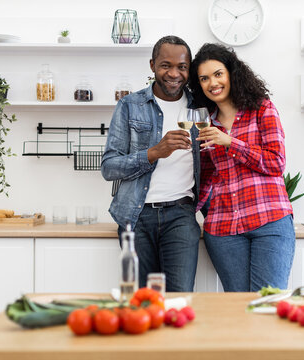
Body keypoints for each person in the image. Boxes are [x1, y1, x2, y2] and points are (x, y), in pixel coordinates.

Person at [188, 43, 295, 292]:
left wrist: (230, 142)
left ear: (231, 73)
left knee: (266, 302)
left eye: (217, 74)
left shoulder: (262, 109)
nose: (212, 83)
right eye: (204, 78)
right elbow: (207, 176)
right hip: (223, 228)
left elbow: (276, 162)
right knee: (237, 305)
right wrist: (194, 210)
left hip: (269, 221)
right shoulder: (205, 123)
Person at [101, 35, 201, 292]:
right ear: (152, 65)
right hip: (135, 216)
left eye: (182, 67)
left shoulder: (200, 109)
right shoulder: (129, 106)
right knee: (141, 302)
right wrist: (154, 152)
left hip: (181, 215)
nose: (174, 73)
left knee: (179, 301)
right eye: (165, 65)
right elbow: (109, 167)